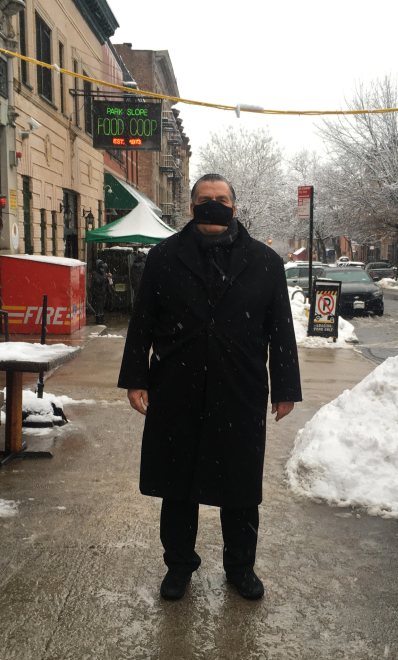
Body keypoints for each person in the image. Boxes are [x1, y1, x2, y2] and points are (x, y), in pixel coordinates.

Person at [118, 173, 302, 602]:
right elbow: (141, 321)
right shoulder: (163, 257)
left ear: (234, 208)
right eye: (205, 199)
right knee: (177, 487)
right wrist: (134, 379)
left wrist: (286, 387)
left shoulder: (265, 262)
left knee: (239, 489)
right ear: (192, 207)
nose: (213, 205)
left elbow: (281, 330)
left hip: (240, 391)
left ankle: (240, 567)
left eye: (221, 199)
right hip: (176, 389)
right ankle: (179, 566)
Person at [88, 259, 109, 324]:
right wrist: (104, 278)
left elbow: (105, 282)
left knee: (102, 306)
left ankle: (102, 319)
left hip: (102, 292)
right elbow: (98, 282)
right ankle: (98, 319)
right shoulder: (95, 273)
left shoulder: (102, 273)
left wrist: (108, 279)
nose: (103, 269)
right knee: (98, 306)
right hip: (97, 292)